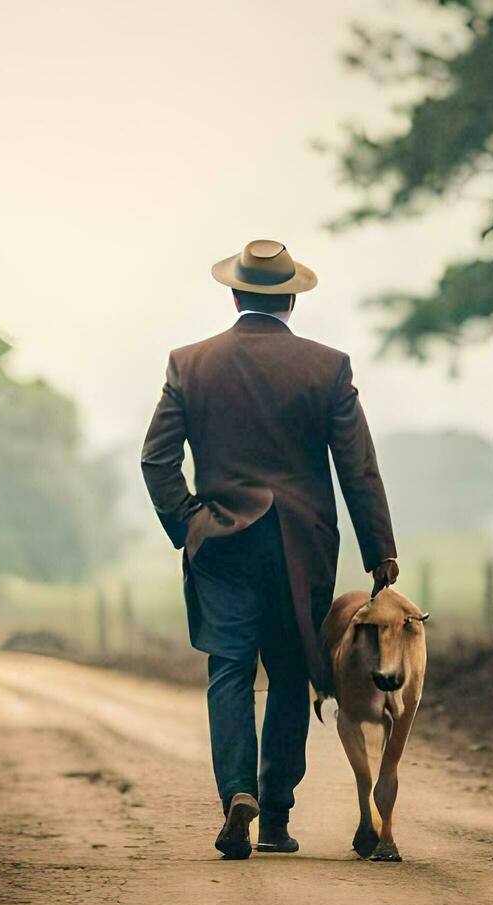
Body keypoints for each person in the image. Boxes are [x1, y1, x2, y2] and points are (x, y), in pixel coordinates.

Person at [140, 239, 399, 859]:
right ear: (290, 299)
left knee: (228, 669)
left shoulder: (189, 362)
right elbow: (356, 466)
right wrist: (379, 549)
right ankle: (276, 813)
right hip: (299, 547)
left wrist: (191, 525)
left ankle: (236, 793)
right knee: (290, 674)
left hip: (221, 544)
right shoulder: (328, 367)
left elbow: (156, 459)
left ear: (235, 295)